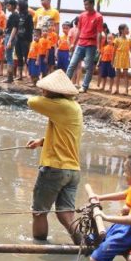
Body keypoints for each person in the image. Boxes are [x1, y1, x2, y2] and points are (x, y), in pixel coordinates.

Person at [25, 69, 83, 244]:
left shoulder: (61, 105)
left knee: (39, 212)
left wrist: (47, 98)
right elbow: (66, 134)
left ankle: (38, 246)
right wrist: (41, 141)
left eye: (45, 90)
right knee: (65, 213)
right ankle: (84, 244)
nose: (42, 92)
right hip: (72, 170)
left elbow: (31, 101)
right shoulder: (74, 107)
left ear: (53, 92)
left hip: (55, 168)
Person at [66, 0, 103, 93]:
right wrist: (73, 43)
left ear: (92, 4)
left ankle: (84, 86)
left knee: (88, 66)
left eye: (87, 4)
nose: (85, 6)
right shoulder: (82, 15)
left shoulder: (98, 17)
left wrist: (99, 47)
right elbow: (79, 30)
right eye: (84, 4)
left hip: (91, 44)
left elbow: (99, 32)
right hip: (80, 43)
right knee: (72, 64)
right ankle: (65, 83)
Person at [15, 0, 34, 80]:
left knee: (26, 57)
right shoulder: (17, 15)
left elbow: (31, 28)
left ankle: (30, 75)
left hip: (25, 40)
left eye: (18, 5)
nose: (16, 6)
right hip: (17, 39)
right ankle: (20, 75)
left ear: (22, 6)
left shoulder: (28, 16)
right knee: (19, 56)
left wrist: (28, 40)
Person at [3, 0, 19, 83]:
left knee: (9, 56)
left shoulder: (15, 15)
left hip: (11, 36)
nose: (7, 7)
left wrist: (9, 40)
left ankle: (10, 78)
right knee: (8, 56)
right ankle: (10, 77)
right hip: (9, 35)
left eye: (8, 5)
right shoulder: (13, 14)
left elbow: (14, 28)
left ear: (13, 6)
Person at [112, 24, 131, 95]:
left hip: (126, 58)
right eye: (127, 29)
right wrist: (112, 60)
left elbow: (130, 49)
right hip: (118, 57)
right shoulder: (117, 40)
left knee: (125, 74)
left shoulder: (129, 40)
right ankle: (116, 89)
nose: (128, 30)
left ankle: (126, 90)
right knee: (117, 74)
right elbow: (114, 51)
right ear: (122, 30)